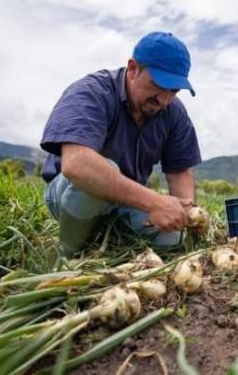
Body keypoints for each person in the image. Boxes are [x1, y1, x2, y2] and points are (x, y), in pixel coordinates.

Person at [40, 32, 202, 257]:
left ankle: (112, 236)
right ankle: (69, 252)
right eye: (158, 85)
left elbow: (180, 171)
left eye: (174, 90)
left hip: (129, 201)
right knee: (102, 169)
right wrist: (155, 202)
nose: (164, 100)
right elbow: (76, 165)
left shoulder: (173, 112)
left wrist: (187, 215)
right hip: (71, 194)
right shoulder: (92, 92)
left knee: (171, 240)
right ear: (133, 68)